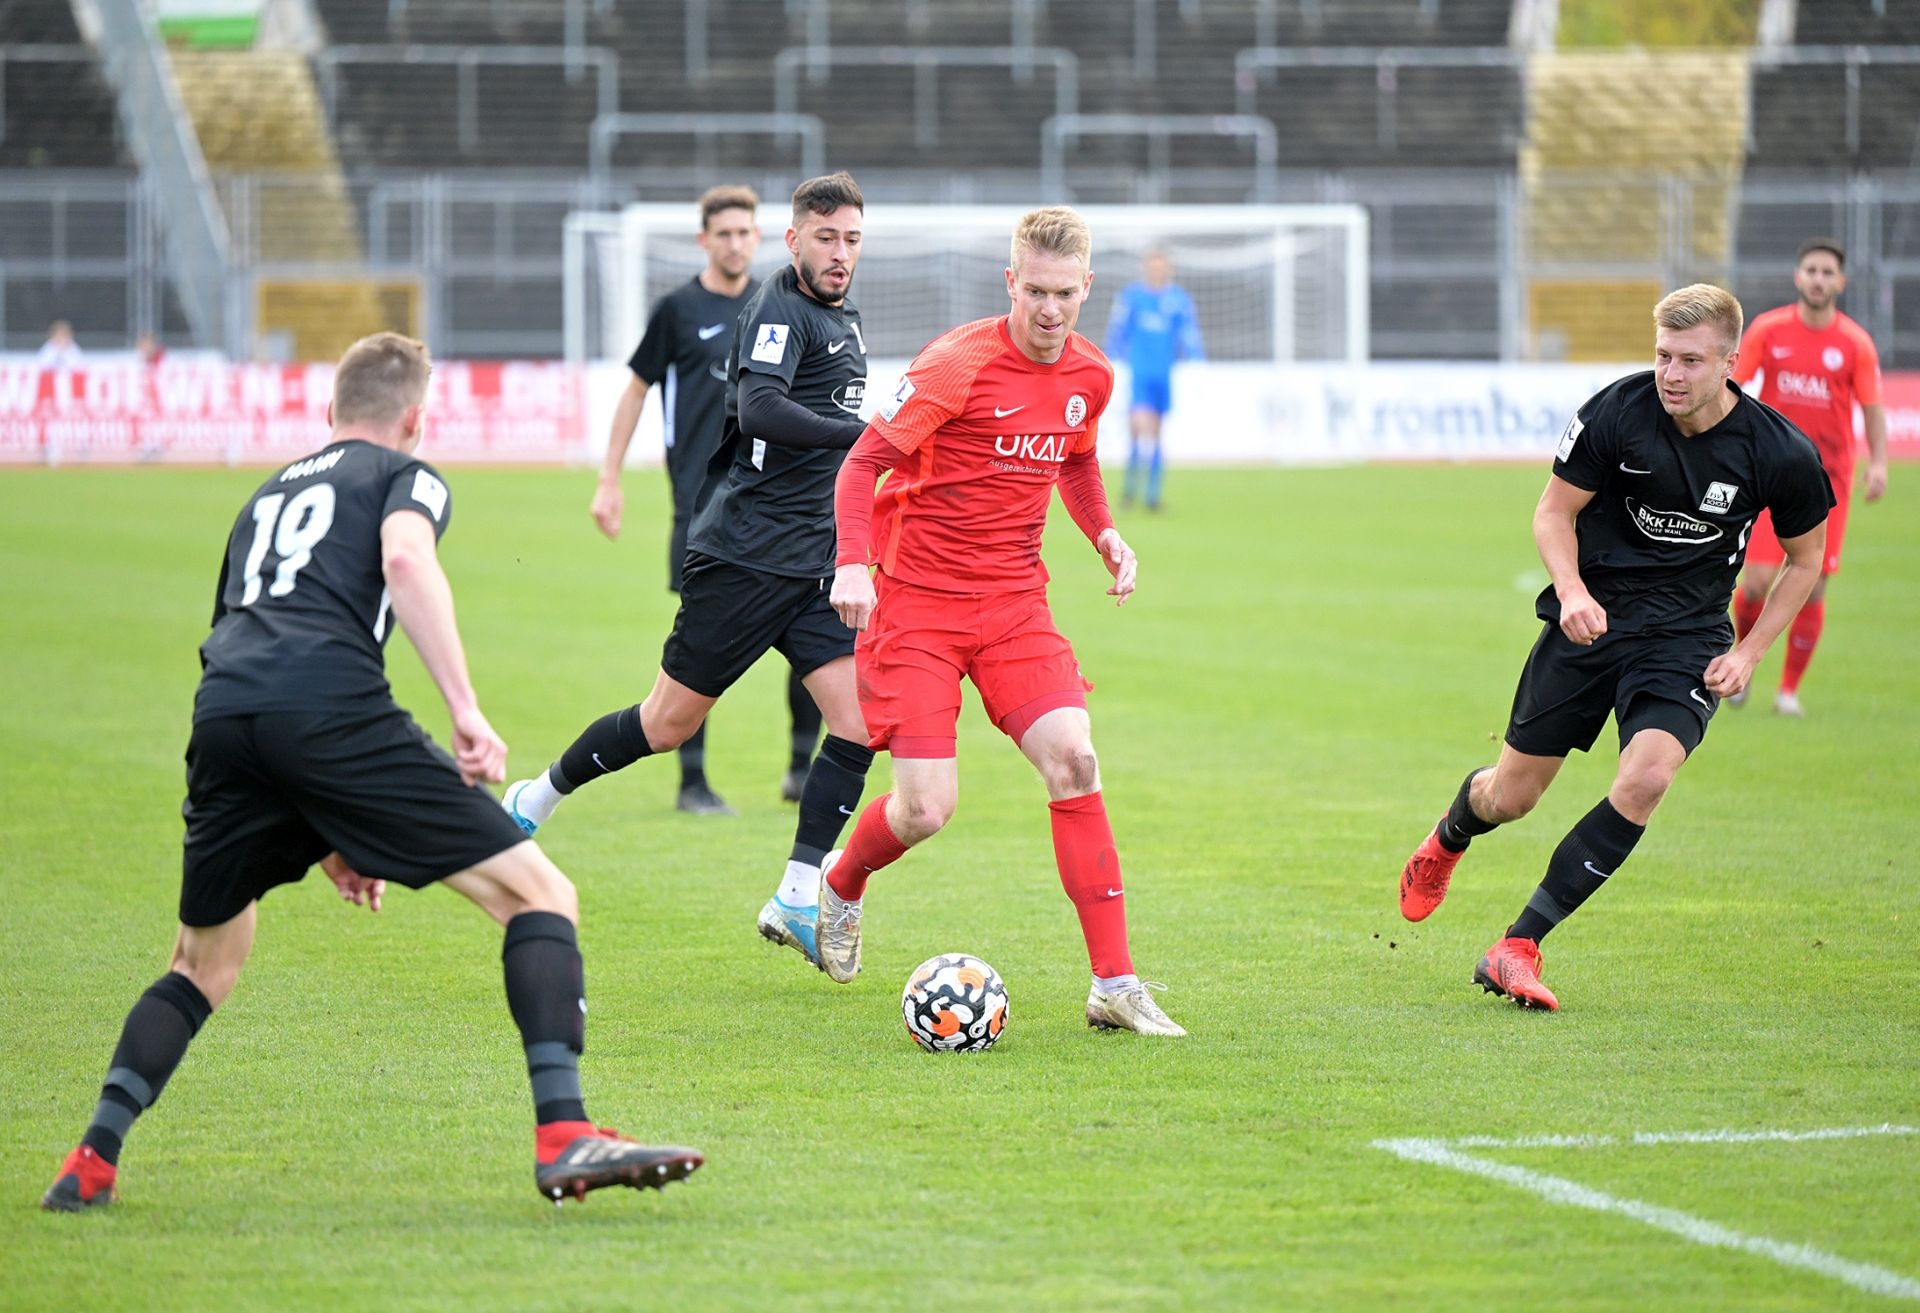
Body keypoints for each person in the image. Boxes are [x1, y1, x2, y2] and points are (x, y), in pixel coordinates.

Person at [41, 333, 701, 1213]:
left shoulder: (263, 494)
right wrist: (465, 707)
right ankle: (563, 1132)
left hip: (226, 718)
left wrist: (325, 831)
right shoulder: (406, 475)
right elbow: (404, 558)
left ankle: (93, 1154)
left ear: (327, 412)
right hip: (331, 709)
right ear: (416, 419)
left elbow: (238, 632)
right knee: (540, 894)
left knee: (202, 962)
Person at [1395, 285, 1834, 1012]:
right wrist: (1570, 590)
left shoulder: (1776, 450)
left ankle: (1518, 943)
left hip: (1686, 635)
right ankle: (1448, 837)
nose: (1672, 373)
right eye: (1663, 355)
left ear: (1730, 360)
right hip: (1591, 618)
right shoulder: (1617, 412)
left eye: (1691, 360)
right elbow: (1553, 511)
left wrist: (1751, 652)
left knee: (1647, 777)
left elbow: (1805, 558)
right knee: (1510, 796)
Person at [822, 206, 1185, 1037]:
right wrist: (852, 561)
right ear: (1010, 283)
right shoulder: (956, 365)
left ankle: (1115, 983)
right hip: (916, 601)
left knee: (1076, 760)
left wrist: (1104, 532)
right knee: (924, 810)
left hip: (1016, 601)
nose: (1050, 310)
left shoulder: (1092, 374)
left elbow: (1079, 458)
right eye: (1035, 292)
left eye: (1065, 294)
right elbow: (863, 463)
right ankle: (842, 885)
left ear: (1087, 288)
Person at [504, 173, 877, 968]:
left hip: (811, 562)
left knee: (860, 721)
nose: (839, 253)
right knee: (666, 724)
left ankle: (798, 893)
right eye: (825, 238)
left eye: (850, 239)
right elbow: (762, 407)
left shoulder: (844, 320)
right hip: (743, 557)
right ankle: (535, 795)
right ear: (794, 240)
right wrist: (857, 435)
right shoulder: (779, 307)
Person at [589, 185, 824, 814]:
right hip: (700, 504)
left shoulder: (783, 305)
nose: (736, 242)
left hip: (779, 505)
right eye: (724, 233)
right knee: (700, 639)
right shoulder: (677, 310)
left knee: (811, 638)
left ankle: (801, 768)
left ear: (760, 237)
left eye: (745, 232)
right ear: (704, 240)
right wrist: (609, 478)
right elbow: (636, 390)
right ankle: (692, 782)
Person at [1729, 238, 1888, 716]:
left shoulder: (1854, 343)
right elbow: (1734, 384)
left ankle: (1788, 692)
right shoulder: (1768, 329)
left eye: (1827, 272)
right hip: (1770, 474)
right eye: (1811, 270)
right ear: (1798, 277)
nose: (1819, 279)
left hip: (1830, 481)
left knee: (1812, 584)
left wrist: (1878, 462)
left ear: (1840, 282)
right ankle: (1741, 666)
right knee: (1755, 581)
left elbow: (1872, 408)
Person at [1104, 249, 1202, 512]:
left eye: (1162, 267)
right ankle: (1128, 491)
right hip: (1140, 373)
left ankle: (1152, 496)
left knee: (1157, 434)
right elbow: (1117, 330)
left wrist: (1197, 358)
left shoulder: (1178, 300)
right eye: (1153, 267)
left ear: (1168, 270)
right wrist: (1109, 358)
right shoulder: (1132, 297)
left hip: (1163, 374)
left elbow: (1189, 333)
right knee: (1137, 428)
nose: (1157, 272)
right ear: (1146, 269)